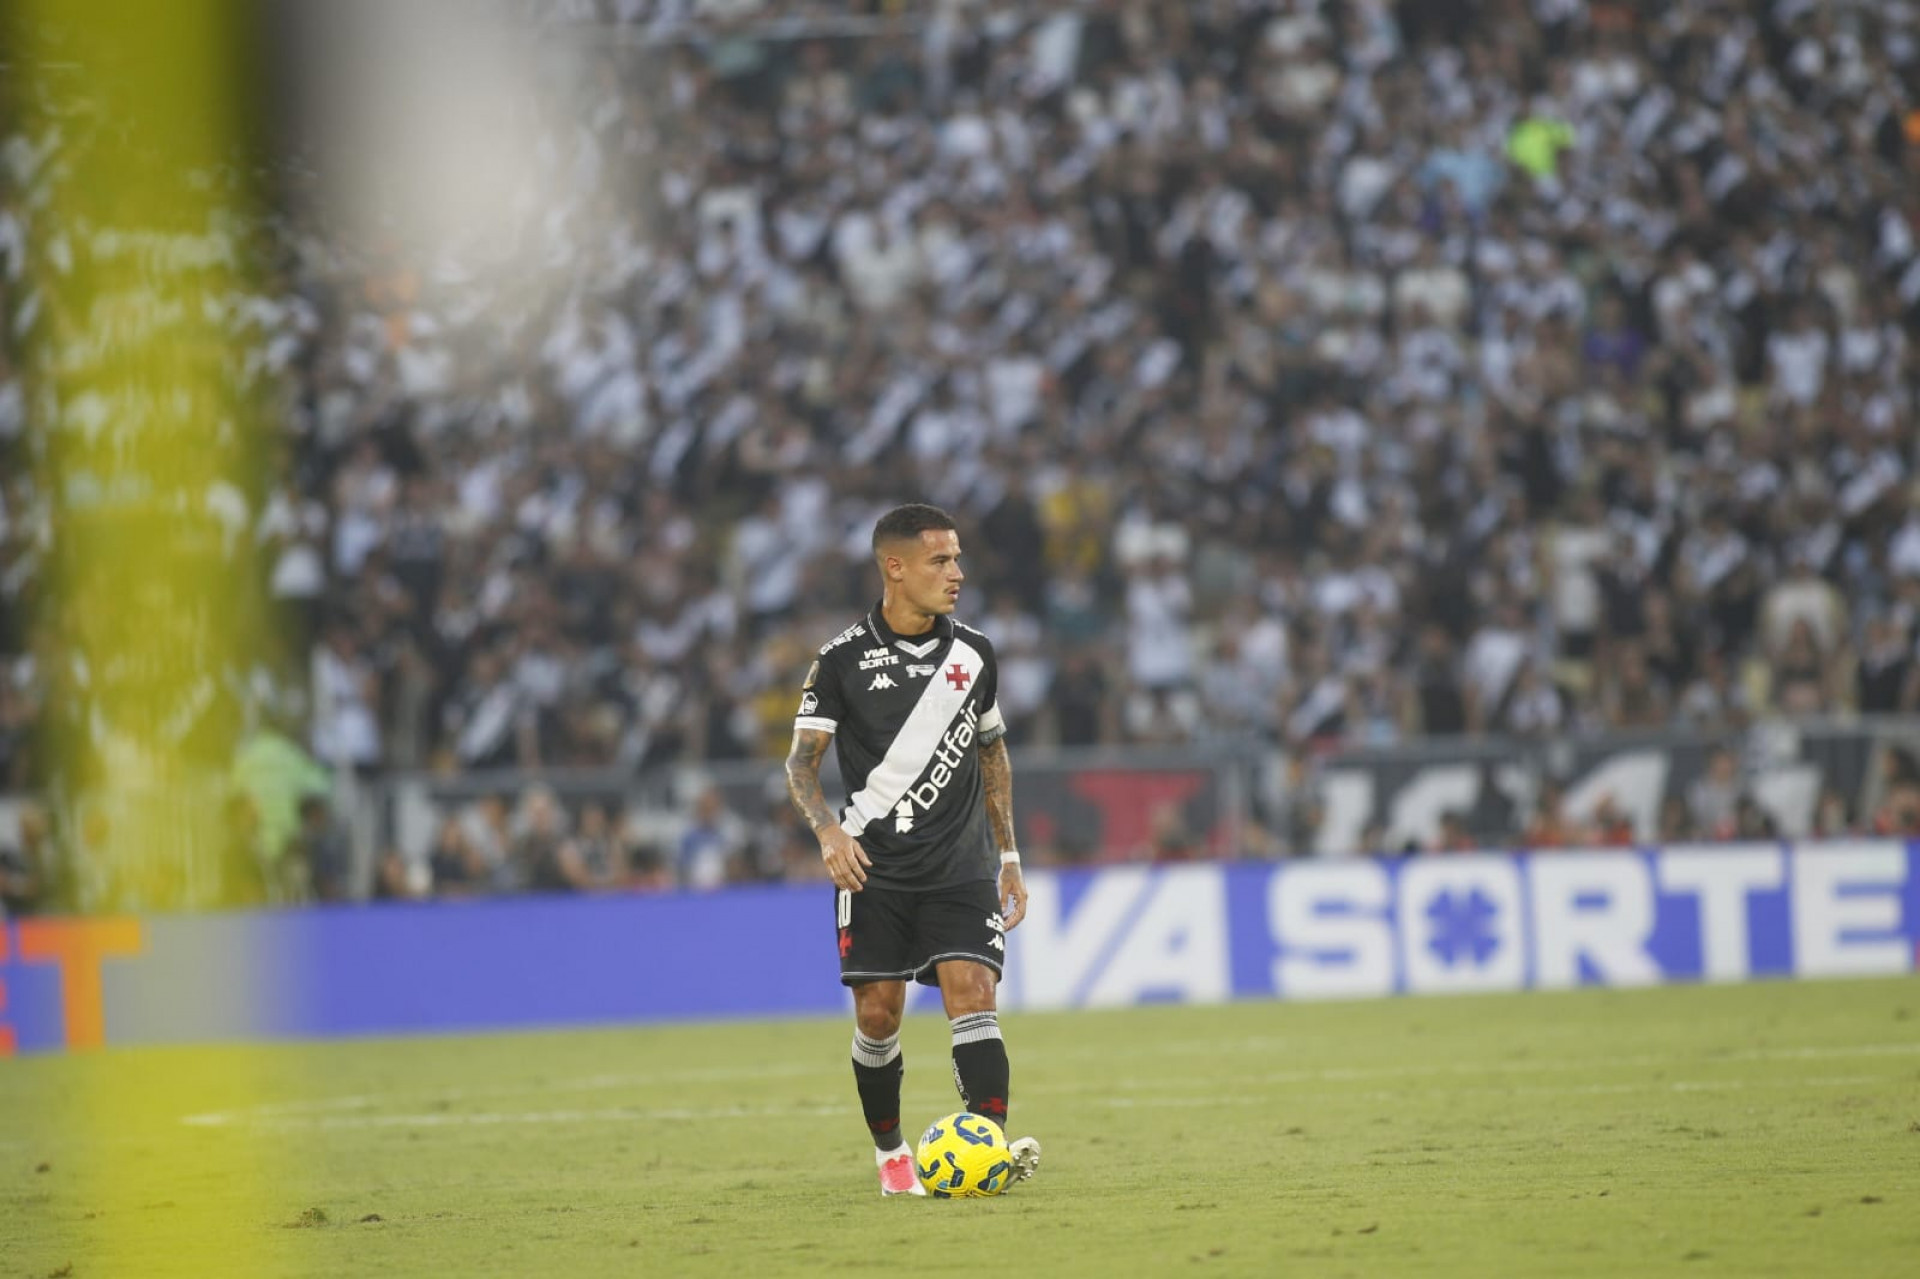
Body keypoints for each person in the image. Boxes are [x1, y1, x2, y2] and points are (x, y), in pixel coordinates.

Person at [784, 503, 1042, 1198]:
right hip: (873, 869)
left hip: (961, 865)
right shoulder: (840, 660)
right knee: (878, 1015)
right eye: (940, 560)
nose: (957, 573)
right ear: (894, 567)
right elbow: (801, 764)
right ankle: (892, 1154)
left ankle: (987, 1149)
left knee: (974, 992)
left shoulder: (975, 653)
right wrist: (828, 832)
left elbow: (993, 752)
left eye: (958, 558)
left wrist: (1009, 857)